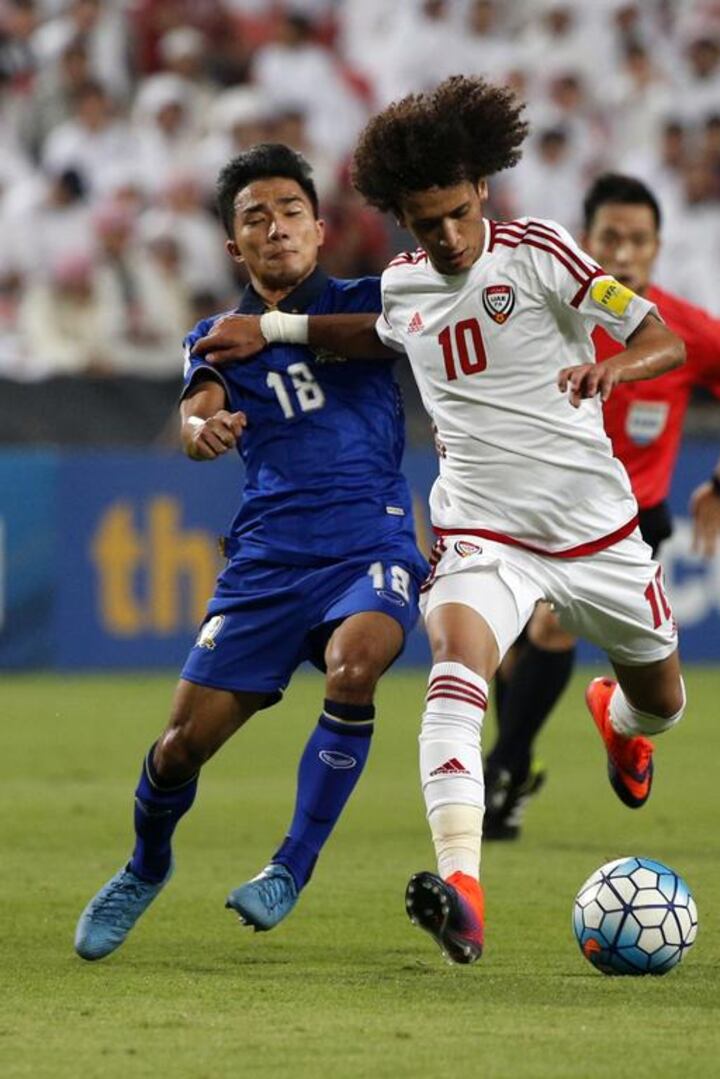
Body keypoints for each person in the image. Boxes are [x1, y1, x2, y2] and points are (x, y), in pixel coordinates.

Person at [193, 77, 687, 967]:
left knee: (664, 703)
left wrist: (618, 371)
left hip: (599, 533)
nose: (449, 238)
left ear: (483, 192)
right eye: (428, 224)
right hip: (482, 535)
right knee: (455, 675)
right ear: (405, 221)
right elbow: (367, 332)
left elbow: (661, 335)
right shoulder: (404, 284)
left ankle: (618, 720)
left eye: (459, 214)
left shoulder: (542, 255)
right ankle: (462, 891)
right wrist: (272, 329)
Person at [74, 143, 428, 961]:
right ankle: (144, 864)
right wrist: (204, 431)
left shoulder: (369, 299)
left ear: (320, 225)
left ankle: (288, 868)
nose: (276, 229)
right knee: (177, 749)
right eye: (255, 219)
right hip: (267, 562)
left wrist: (277, 327)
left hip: (369, 540)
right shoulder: (218, 334)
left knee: (355, 666)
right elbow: (199, 405)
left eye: (291, 212)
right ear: (235, 246)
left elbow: (388, 338)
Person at [483, 173, 720, 841]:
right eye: (610, 237)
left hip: (627, 518)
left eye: (638, 240)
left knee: (553, 628)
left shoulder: (682, 330)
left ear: (657, 246)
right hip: (532, 508)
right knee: (510, 652)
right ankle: (525, 766)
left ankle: (502, 766)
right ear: (586, 242)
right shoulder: (546, 312)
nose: (623, 252)